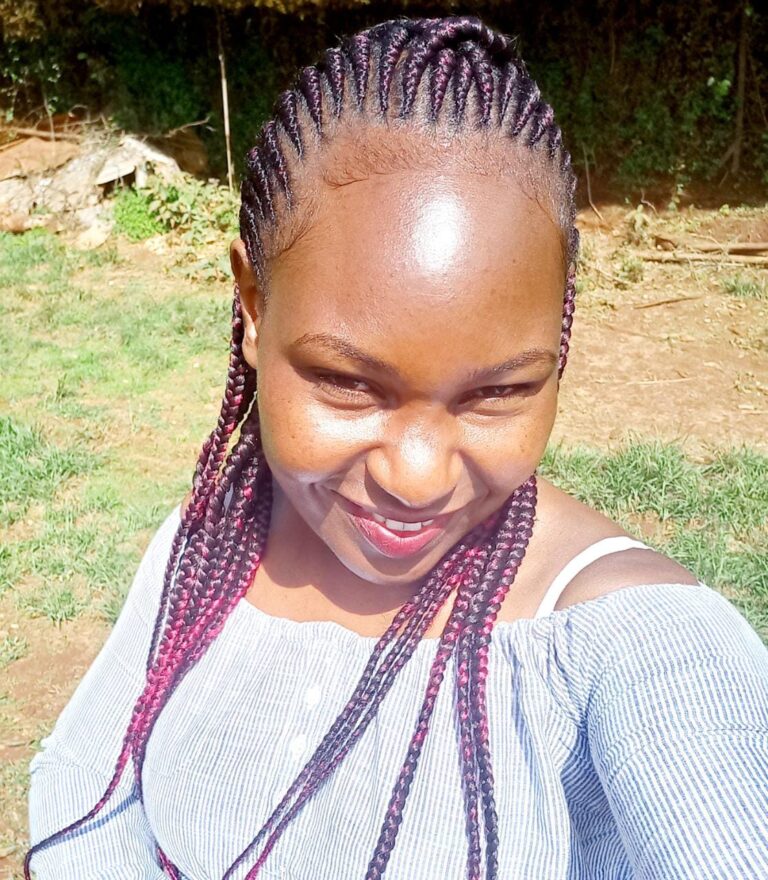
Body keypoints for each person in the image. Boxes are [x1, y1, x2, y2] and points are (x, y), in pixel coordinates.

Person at [26, 13, 768, 880]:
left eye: (499, 393)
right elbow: (85, 789)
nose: (417, 479)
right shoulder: (208, 546)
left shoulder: (640, 645)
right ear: (254, 309)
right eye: (348, 383)